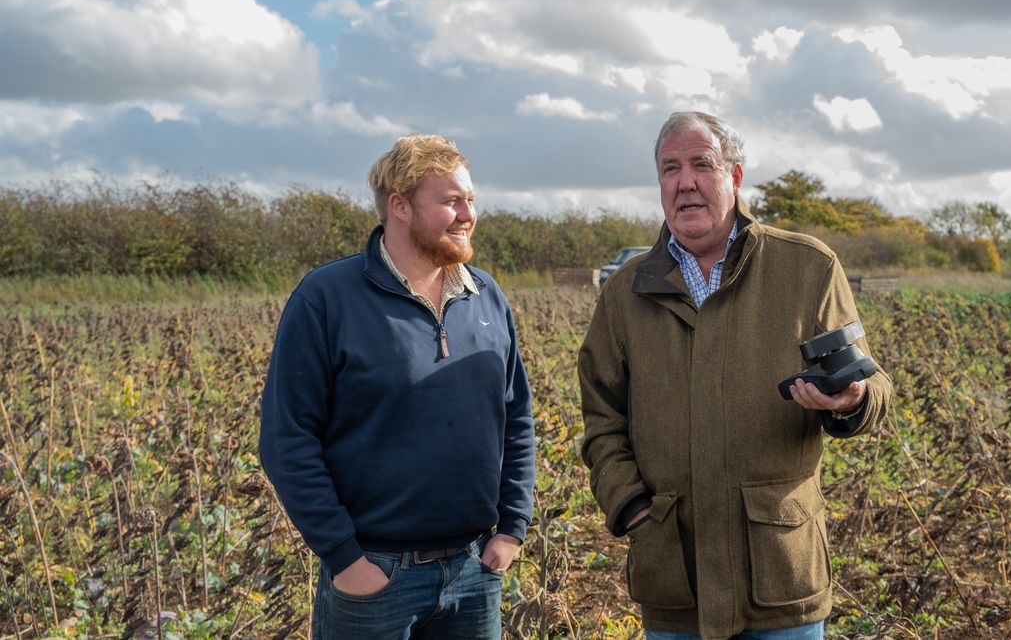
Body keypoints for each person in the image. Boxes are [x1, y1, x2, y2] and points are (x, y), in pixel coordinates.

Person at [579, 111, 894, 640]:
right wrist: (632, 507)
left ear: (735, 176)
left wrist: (852, 399)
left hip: (779, 572)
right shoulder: (624, 292)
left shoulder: (807, 267)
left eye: (702, 164)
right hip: (673, 574)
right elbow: (600, 418)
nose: (685, 183)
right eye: (669, 168)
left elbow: (875, 383)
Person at [260, 134, 535, 639]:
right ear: (400, 206)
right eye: (451, 201)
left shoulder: (485, 294)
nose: (467, 214)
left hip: (475, 572)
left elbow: (516, 417)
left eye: (470, 199)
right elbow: (287, 439)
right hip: (376, 577)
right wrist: (346, 560)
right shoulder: (327, 298)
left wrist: (512, 529)